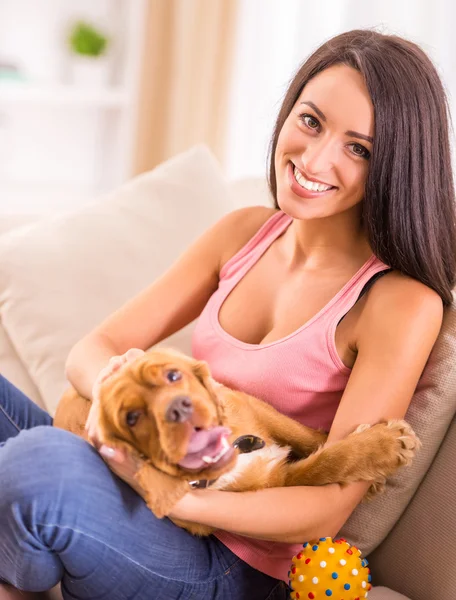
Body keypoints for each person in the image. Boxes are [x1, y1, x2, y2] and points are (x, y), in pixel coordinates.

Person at [0, 28, 454, 600]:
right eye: (310, 121)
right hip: (144, 496)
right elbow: (96, 347)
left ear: (394, 166)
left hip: (232, 566)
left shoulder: (400, 303)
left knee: (38, 466)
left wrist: (173, 494)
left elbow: (326, 509)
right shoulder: (244, 233)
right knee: (36, 460)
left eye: (357, 148)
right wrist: (118, 411)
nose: (314, 158)